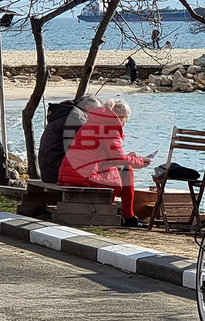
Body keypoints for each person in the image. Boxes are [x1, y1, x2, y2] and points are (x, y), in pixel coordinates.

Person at [58, 98, 154, 228]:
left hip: (70, 173)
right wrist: (140, 162)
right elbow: (117, 158)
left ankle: (122, 213)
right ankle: (129, 217)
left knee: (119, 170)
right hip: (85, 176)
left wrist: (130, 157)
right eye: (126, 120)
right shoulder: (110, 125)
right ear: (121, 117)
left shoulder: (94, 121)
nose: (124, 124)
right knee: (127, 171)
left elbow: (105, 154)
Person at [38, 95, 102, 184]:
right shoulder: (77, 118)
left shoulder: (65, 114)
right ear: (89, 108)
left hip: (48, 171)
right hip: (58, 174)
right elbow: (80, 152)